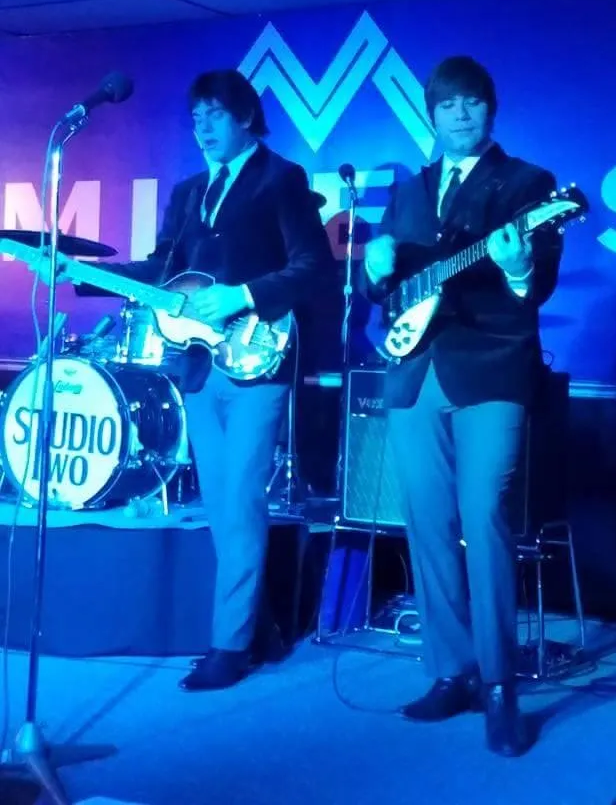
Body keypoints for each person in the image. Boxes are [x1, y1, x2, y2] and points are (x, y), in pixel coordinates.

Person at [34, 69, 336, 691]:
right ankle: (261, 626)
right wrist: (79, 273)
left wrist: (240, 297)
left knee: (240, 500)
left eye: (215, 114)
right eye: (196, 116)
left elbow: (311, 268)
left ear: (246, 117)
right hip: (197, 366)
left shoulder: (282, 180)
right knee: (223, 505)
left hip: (258, 358)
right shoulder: (188, 190)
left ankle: (229, 643)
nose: (202, 126)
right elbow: (159, 270)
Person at [362, 56, 563, 755]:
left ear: (490, 109)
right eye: (447, 104)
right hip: (416, 373)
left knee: (485, 514)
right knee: (427, 521)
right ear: (431, 113)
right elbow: (384, 296)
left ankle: (502, 685)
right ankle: (453, 673)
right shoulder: (408, 191)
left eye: (472, 102)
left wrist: (514, 264)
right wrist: (374, 268)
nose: (460, 113)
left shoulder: (529, 185)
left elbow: (534, 293)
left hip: (494, 371)